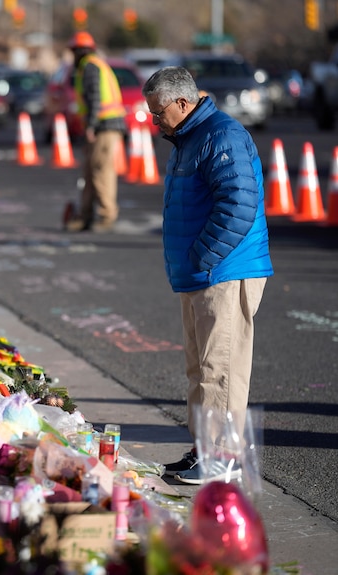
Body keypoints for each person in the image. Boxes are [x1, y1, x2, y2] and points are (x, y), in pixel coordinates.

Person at [141, 66, 273, 485]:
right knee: (199, 367)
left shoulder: (221, 135)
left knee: (221, 367)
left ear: (183, 102)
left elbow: (238, 204)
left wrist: (203, 256)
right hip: (202, 271)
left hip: (223, 270)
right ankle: (205, 449)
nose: (154, 121)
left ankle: (224, 456)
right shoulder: (188, 136)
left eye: (158, 112)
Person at [64, 31, 127, 233]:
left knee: (101, 171)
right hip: (103, 126)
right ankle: (85, 216)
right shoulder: (93, 65)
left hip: (104, 127)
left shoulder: (90, 67)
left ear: (78, 52)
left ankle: (106, 215)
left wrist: (90, 126)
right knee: (91, 172)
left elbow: (94, 99)